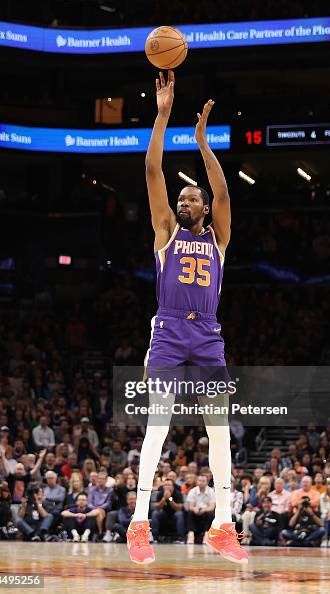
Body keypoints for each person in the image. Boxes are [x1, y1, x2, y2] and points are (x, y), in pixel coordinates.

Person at [127, 70, 248, 566]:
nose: (184, 201)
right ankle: (138, 522)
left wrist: (202, 144)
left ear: (203, 208)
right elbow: (154, 171)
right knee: (157, 423)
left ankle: (223, 524)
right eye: (181, 199)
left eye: (190, 198)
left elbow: (223, 194)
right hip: (171, 330)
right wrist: (161, 117)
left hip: (209, 336)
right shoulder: (165, 235)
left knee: (218, 428)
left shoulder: (218, 240)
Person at [151, 478, 185, 544]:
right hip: (163, 514)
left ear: (173, 486)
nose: (166, 487)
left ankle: (180, 538)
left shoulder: (177, 493)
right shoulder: (160, 493)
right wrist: (163, 499)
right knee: (155, 513)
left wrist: (169, 499)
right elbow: (156, 508)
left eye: (169, 485)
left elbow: (179, 508)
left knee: (179, 514)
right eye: (165, 485)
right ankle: (154, 538)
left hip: (174, 514)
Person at [186, 475, 216, 544]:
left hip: (206, 512)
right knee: (189, 512)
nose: (201, 482)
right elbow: (190, 506)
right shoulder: (192, 491)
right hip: (196, 511)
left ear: (207, 482)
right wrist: (194, 509)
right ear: (197, 482)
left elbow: (212, 507)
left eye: (203, 481)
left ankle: (207, 535)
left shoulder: (211, 491)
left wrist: (204, 510)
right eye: (199, 480)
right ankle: (191, 534)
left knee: (211, 514)